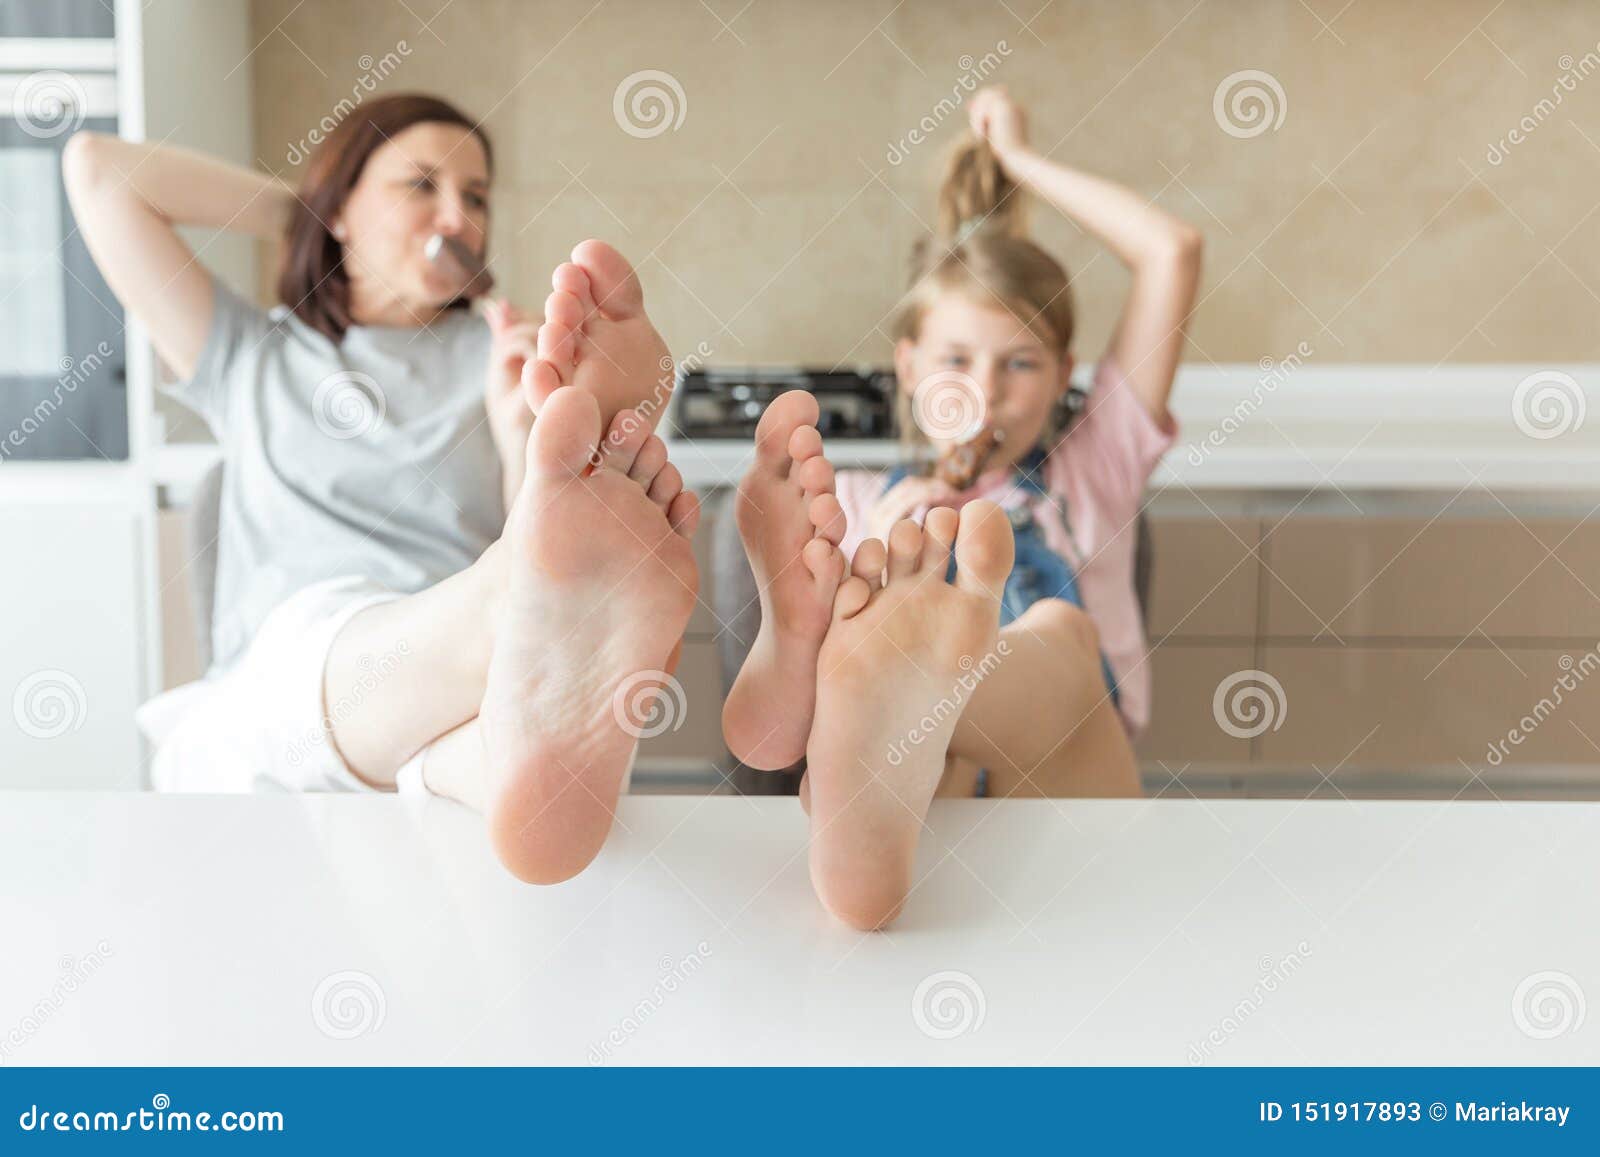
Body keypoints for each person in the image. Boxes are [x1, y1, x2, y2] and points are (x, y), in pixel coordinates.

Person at [65, 94, 696, 886]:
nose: (456, 215)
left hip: (452, 667)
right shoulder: (250, 354)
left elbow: (546, 533)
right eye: (419, 186)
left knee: (505, 712)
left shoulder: (506, 360)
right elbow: (97, 171)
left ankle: (504, 655)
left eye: (474, 197)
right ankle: (505, 618)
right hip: (302, 664)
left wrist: (516, 429)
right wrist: (308, 211)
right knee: (343, 681)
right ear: (342, 207)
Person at [721, 87, 1203, 928]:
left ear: (1064, 374)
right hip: (932, 810)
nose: (985, 393)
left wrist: (1022, 164)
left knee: (1061, 637)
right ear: (907, 366)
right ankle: (879, 723)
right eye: (956, 359)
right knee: (860, 607)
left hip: (1068, 791)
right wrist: (881, 537)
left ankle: (920, 685)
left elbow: (1173, 251)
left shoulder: (1096, 465)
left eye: (1020, 364)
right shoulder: (863, 502)